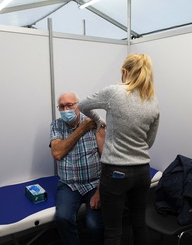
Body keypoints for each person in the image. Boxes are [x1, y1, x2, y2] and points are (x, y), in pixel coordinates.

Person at [77, 53, 160, 245]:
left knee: (113, 231)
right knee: (139, 224)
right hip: (142, 171)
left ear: (124, 71)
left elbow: (82, 105)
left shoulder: (114, 92)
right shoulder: (152, 100)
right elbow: (149, 141)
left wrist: (99, 120)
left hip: (115, 172)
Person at [50, 91, 106, 245]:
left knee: (94, 225)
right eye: (62, 106)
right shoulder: (57, 125)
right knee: (63, 218)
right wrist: (81, 129)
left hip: (93, 183)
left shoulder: (95, 123)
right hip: (69, 184)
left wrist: (101, 191)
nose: (66, 109)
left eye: (70, 105)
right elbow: (57, 153)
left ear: (78, 106)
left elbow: (107, 159)